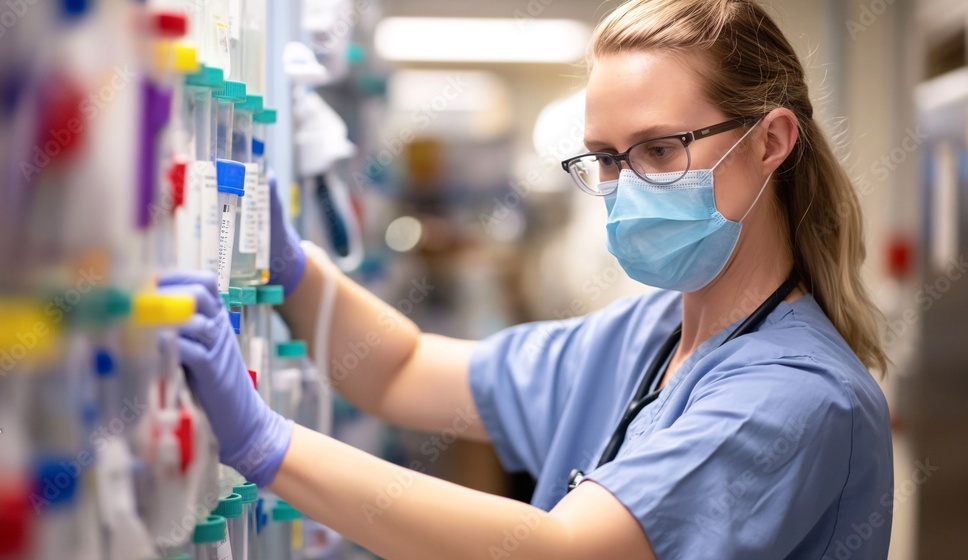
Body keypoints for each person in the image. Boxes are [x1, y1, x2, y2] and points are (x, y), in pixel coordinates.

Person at [162, 0, 894, 557]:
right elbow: (401, 370)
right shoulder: (647, 335)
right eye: (606, 158)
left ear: (770, 142)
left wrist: (264, 444)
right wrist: (291, 270)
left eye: (661, 151)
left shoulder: (798, 398)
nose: (626, 184)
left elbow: (562, 550)